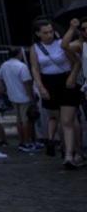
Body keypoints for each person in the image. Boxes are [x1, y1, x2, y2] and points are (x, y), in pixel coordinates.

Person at [29, 18, 82, 167]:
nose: (49, 35)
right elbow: (35, 68)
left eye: (51, 31)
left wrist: (72, 76)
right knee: (61, 121)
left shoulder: (61, 44)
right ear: (38, 34)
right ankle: (71, 151)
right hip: (49, 83)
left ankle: (70, 155)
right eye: (45, 33)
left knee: (67, 121)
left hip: (65, 81)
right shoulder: (35, 48)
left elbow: (75, 62)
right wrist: (41, 87)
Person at [0, 47, 40, 152]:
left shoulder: (4, 65)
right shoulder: (21, 66)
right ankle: (27, 142)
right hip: (24, 96)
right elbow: (27, 83)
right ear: (19, 54)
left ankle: (22, 141)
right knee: (26, 121)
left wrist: (3, 90)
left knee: (19, 120)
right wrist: (32, 97)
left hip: (12, 96)